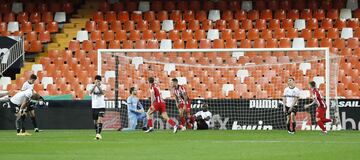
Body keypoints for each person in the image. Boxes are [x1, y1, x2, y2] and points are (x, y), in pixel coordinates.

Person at [87, 75, 106, 140]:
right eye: (96, 80)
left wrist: (98, 86)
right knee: (95, 121)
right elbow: (90, 93)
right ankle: (97, 134)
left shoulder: (103, 86)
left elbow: (103, 93)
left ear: (100, 81)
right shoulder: (91, 86)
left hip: (101, 105)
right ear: (95, 80)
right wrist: (95, 86)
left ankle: (98, 134)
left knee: (100, 119)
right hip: (94, 106)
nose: (97, 82)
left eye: (98, 81)